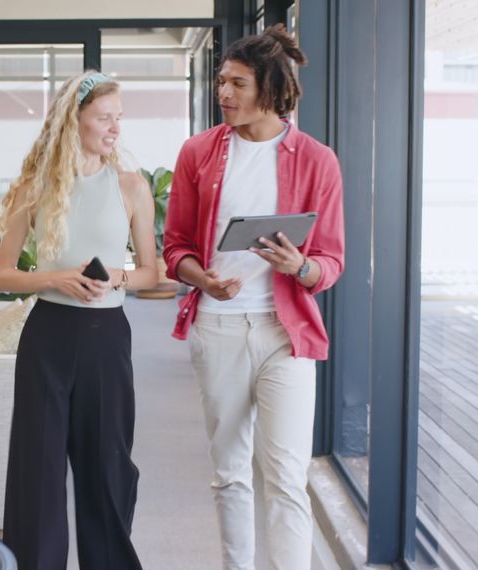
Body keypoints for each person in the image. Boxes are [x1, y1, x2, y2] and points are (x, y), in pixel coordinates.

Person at [162, 25, 345, 570]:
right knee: (229, 471)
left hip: (283, 334)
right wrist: (205, 280)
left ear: (270, 87)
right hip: (217, 326)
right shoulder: (197, 153)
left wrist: (302, 266)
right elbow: (175, 247)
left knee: (287, 477)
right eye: (221, 81)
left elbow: (331, 261)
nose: (224, 93)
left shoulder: (317, 161)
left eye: (237, 83)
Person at [0, 70, 158, 570]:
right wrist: (55, 278)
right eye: (104, 118)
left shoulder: (131, 186)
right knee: (37, 473)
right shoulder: (33, 189)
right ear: (73, 121)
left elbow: (151, 271)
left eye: (119, 118)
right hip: (48, 337)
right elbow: (2, 275)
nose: (114, 129)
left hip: (107, 339)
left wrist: (119, 279)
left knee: (106, 470)